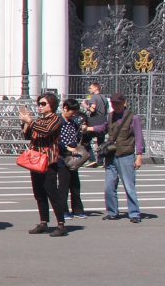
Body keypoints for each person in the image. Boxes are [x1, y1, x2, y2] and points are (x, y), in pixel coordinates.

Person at [87, 92, 144, 223]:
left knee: (129, 186)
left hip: (126, 155)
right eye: (113, 103)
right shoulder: (111, 116)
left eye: (118, 103)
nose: (115, 106)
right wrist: (90, 128)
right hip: (111, 155)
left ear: (124, 103)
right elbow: (104, 128)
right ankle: (112, 212)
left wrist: (139, 156)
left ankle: (134, 213)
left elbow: (139, 137)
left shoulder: (133, 118)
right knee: (109, 186)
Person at [19, 92, 69, 237]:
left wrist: (31, 121)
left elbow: (46, 132)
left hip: (48, 161)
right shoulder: (39, 120)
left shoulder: (56, 119)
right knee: (38, 193)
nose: (40, 107)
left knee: (51, 192)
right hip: (35, 160)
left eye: (43, 104)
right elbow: (29, 136)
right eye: (39, 104)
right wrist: (26, 122)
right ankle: (43, 221)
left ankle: (61, 224)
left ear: (51, 105)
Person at [60, 98, 89, 218]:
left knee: (75, 185)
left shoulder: (73, 123)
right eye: (72, 112)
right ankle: (63, 210)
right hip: (61, 157)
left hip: (74, 157)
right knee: (63, 185)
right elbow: (55, 139)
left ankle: (78, 210)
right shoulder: (58, 121)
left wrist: (83, 130)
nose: (73, 115)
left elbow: (78, 137)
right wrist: (66, 148)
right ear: (65, 108)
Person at [82, 81, 109, 155]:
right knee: (101, 142)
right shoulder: (104, 98)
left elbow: (92, 109)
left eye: (91, 88)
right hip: (103, 120)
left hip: (94, 121)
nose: (89, 89)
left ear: (96, 88)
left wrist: (85, 106)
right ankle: (100, 161)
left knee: (85, 139)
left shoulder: (94, 97)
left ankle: (91, 159)